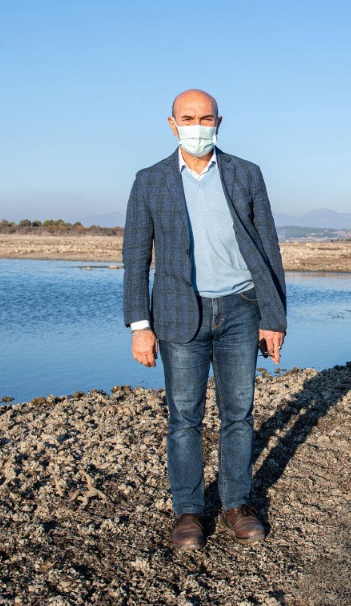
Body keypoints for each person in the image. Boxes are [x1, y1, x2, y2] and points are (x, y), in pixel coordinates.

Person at [122, 89, 287, 551]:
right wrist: (140, 326)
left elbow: (269, 249)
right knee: (183, 418)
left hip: (240, 309)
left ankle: (236, 504)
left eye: (206, 118)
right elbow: (136, 259)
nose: (198, 126)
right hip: (178, 313)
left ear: (220, 122)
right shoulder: (149, 180)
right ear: (172, 124)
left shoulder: (245, 174)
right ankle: (189, 513)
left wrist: (274, 318)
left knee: (239, 412)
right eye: (188, 118)